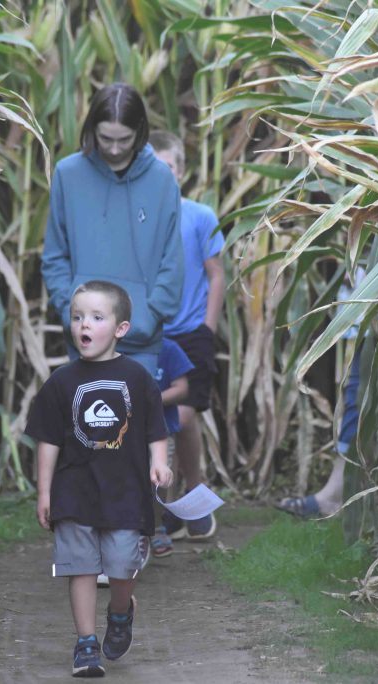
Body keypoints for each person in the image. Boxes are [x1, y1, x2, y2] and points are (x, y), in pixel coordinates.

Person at [26, 280, 174, 678]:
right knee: (81, 567)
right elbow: (48, 441)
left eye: (95, 317)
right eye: (76, 317)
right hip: (75, 490)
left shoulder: (139, 379)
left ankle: (121, 612)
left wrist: (159, 464)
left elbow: (155, 430)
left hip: (126, 491)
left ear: (120, 329)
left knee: (123, 566)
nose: (82, 325)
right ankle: (86, 644)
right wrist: (44, 493)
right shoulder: (60, 382)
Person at [41, 83, 184, 380]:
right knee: (85, 426)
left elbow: (172, 258)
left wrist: (150, 313)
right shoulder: (68, 175)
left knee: (135, 425)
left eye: (125, 140)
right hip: (84, 339)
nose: (115, 149)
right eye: (106, 139)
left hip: (142, 338)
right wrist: (72, 312)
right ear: (92, 128)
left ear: (141, 131)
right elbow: (55, 255)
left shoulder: (162, 179)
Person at [148, 130, 225, 541]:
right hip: (153, 332)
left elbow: (216, 275)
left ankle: (193, 496)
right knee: (156, 416)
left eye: (169, 169)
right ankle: (164, 508)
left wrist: (207, 329)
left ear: (182, 171)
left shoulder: (200, 216)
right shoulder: (138, 221)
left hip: (191, 331)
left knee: (184, 414)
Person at [276, 267, 365, 518]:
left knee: (359, 397)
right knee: (355, 397)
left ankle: (337, 495)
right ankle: (337, 493)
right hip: (363, 310)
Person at [150, 337, 194, 558]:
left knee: (159, 480)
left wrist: (151, 399)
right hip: (125, 434)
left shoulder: (169, 349)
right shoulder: (118, 349)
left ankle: (158, 526)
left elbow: (182, 388)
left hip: (163, 430)